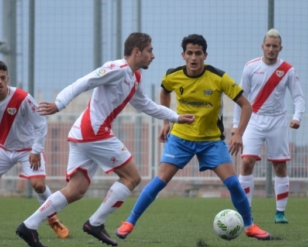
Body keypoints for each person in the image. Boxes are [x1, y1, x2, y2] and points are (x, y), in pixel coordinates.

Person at [15, 32, 195, 247]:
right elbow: (86, 81)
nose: (153, 56)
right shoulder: (116, 68)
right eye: (150, 51)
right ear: (137, 52)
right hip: (93, 132)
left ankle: (29, 225)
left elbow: (144, 104)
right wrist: (59, 103)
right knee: (132, 178)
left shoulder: (135, 77)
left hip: (84, 133)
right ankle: (95, 223)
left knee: (76, 191)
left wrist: (175, 117)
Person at [115, 34, 271, 241]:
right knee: (159, 181)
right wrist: (166, 122)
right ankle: (129, 222)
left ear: (205, 55)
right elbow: (164, 93)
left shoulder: (219, 77)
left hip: (211, 141)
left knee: (233, 184)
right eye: (190, 53)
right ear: (183, 55)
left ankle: (250, 226)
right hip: (180, 139)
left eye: (198, 53)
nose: (194, 57)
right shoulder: (173, 75)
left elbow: (246, 105)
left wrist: (238, 133)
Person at [0, 60, 70, 240]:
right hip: (3, 148)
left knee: (39, 186)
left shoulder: (22, 98)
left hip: (28, 149)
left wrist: (36, 150)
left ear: (8, 78)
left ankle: (54, 221)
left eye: (3, 78)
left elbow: (41, 123)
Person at [233, 29, 305, 224]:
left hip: (278, 121)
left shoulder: (288, 69)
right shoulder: (250, 67)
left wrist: (297, 117)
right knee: (247, 163)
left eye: (275, 46)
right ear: (262, 46)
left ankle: (280, 212)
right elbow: (240, 98)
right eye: (268, 45)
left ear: (280, 48)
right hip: (254, 119)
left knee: (280, 166)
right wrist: (235, 126)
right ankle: (246, 211)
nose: (271, 49)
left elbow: (298, 97)